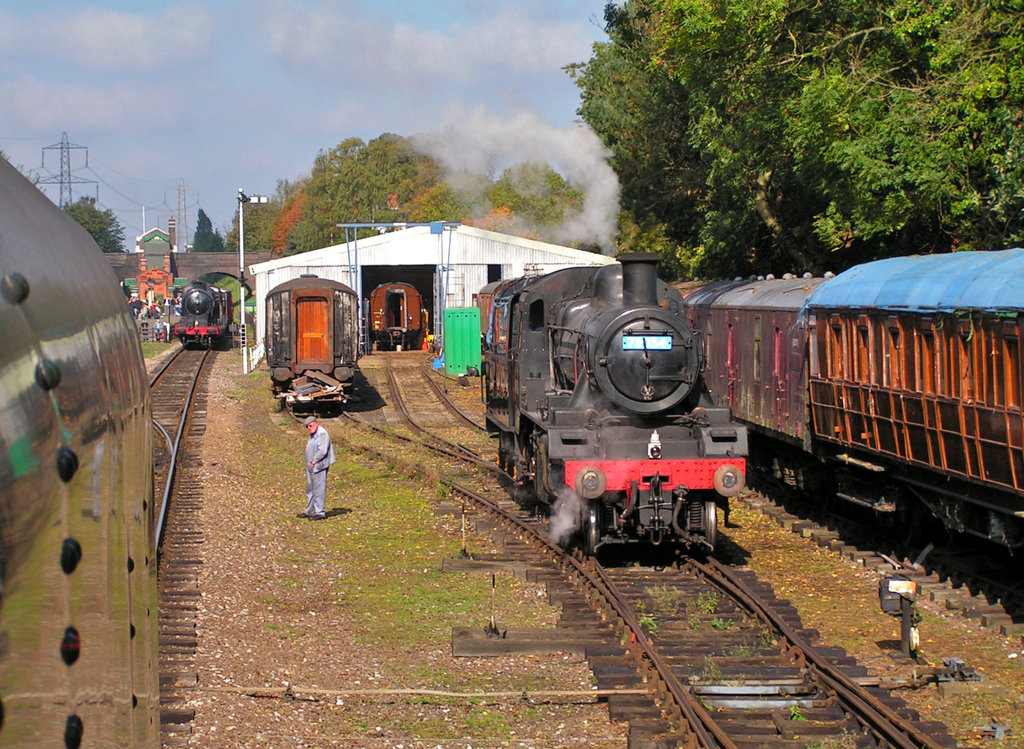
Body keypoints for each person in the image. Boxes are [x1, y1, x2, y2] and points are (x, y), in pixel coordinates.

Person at [301, 416, 335, 520]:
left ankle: (319, 512)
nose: (309, 428)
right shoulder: (313, 434)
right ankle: (310, 511)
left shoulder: (322, 434)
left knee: (318, 489)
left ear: (316, 423)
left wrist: (314, 460)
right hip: (311, 465)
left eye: (310, 425)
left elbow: (323, 451)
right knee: (310, 488)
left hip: (319, 466)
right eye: (307, 427)